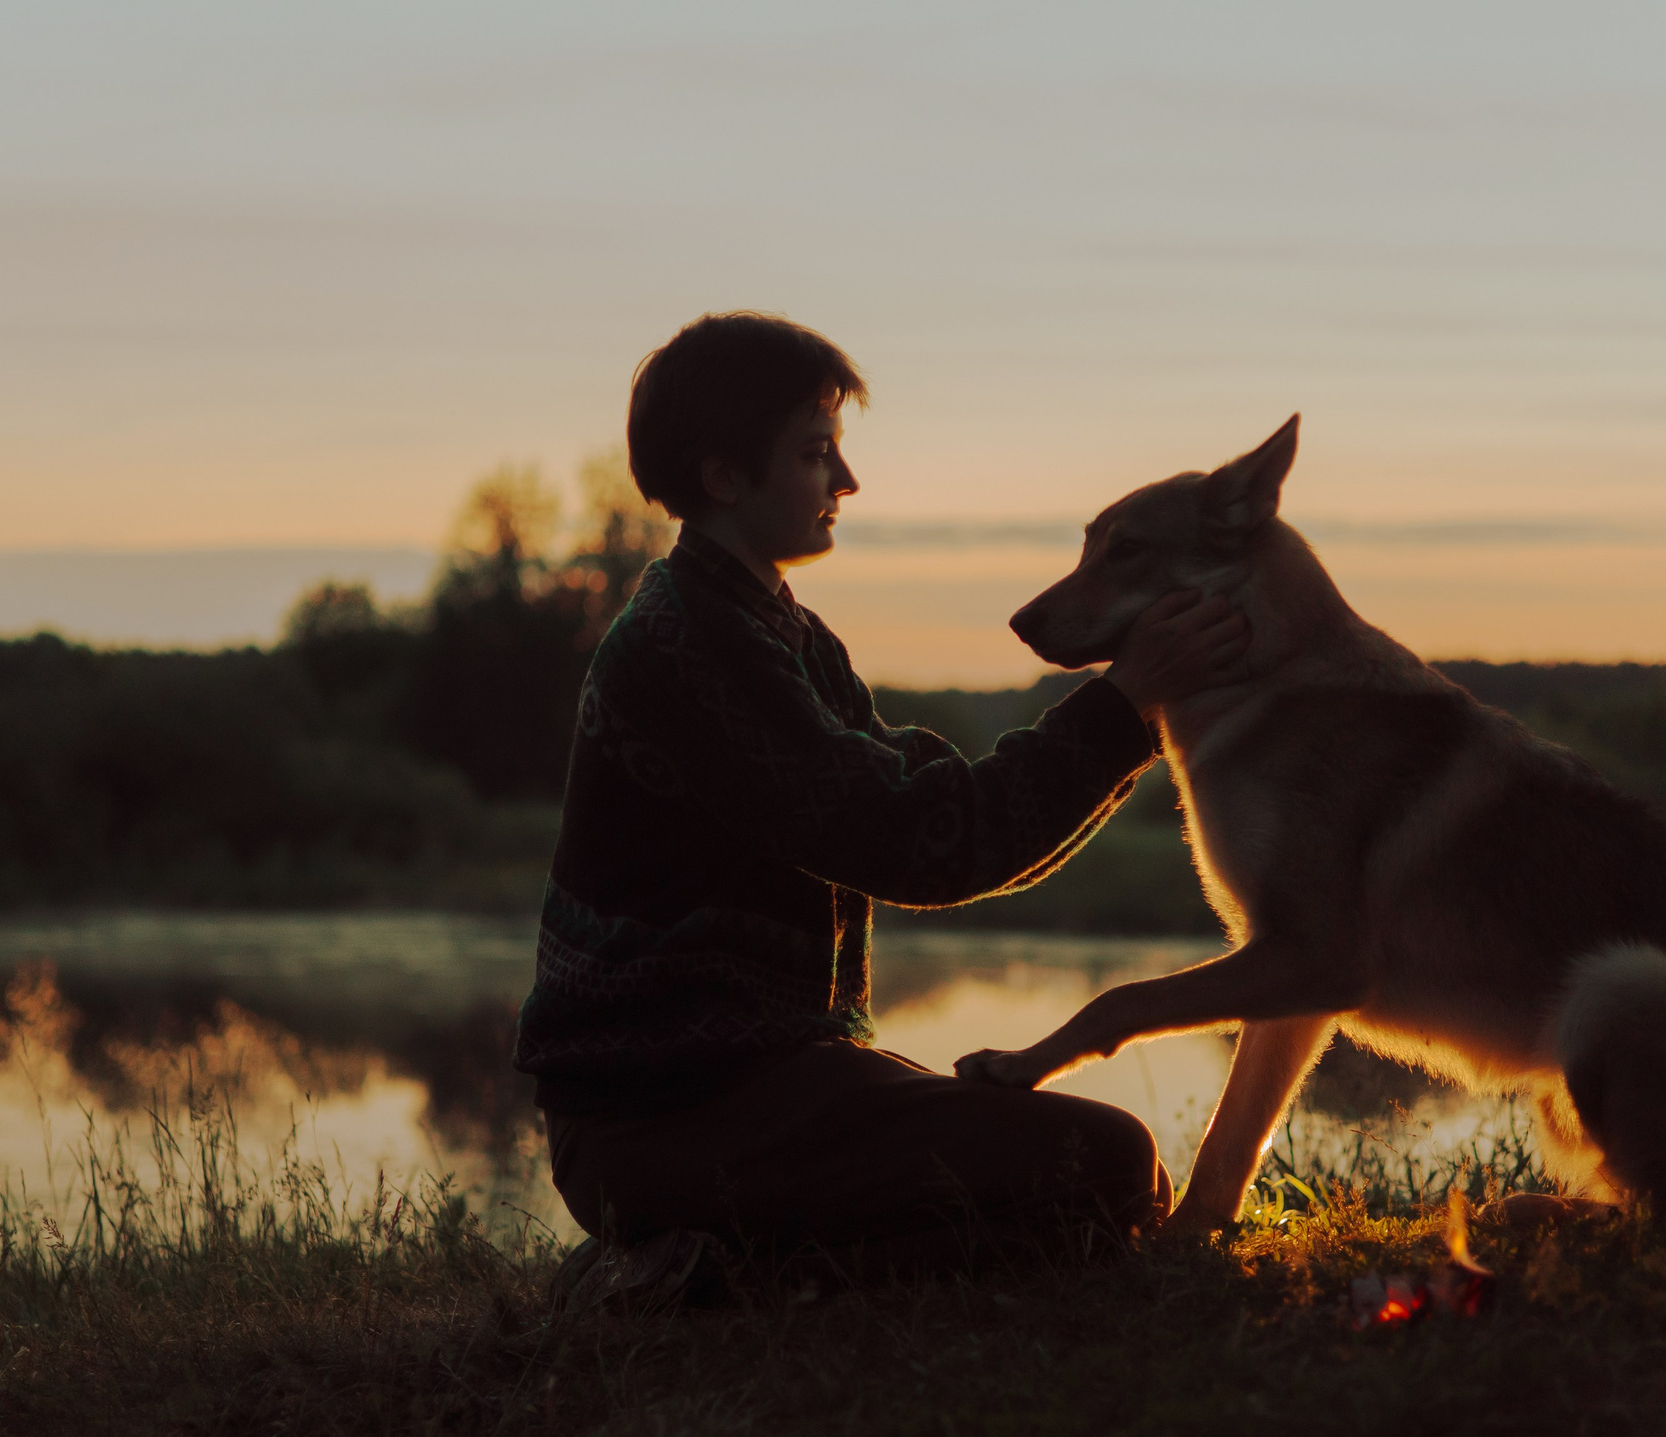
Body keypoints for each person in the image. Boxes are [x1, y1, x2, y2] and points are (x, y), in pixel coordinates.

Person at [513, 312, 1251, 1289]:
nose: (846, 484)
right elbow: (922, 842)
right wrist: (1123, 708)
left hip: (766, 1091)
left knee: (1101, 1179)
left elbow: (931, 801)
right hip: (661, 1121)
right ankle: (688, 1282)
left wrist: (1129, 710)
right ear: (725, 476)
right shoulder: (684, 647)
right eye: (817, 455)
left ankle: (705, 1259)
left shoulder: (776, 633)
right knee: (1101, 1171)